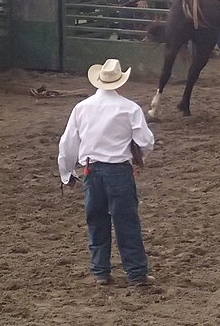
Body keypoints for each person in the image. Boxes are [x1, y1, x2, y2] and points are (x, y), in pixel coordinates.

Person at [58, 59, 156, 287]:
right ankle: (136, 273)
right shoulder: (130, 108)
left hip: (91, 171)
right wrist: (138, 159)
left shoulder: (81, 108)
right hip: (119, 171)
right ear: (120, 82)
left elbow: (68, 143)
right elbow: (146, 141)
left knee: (97, 221)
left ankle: (101, 271)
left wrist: (66, 172)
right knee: (127, 222)